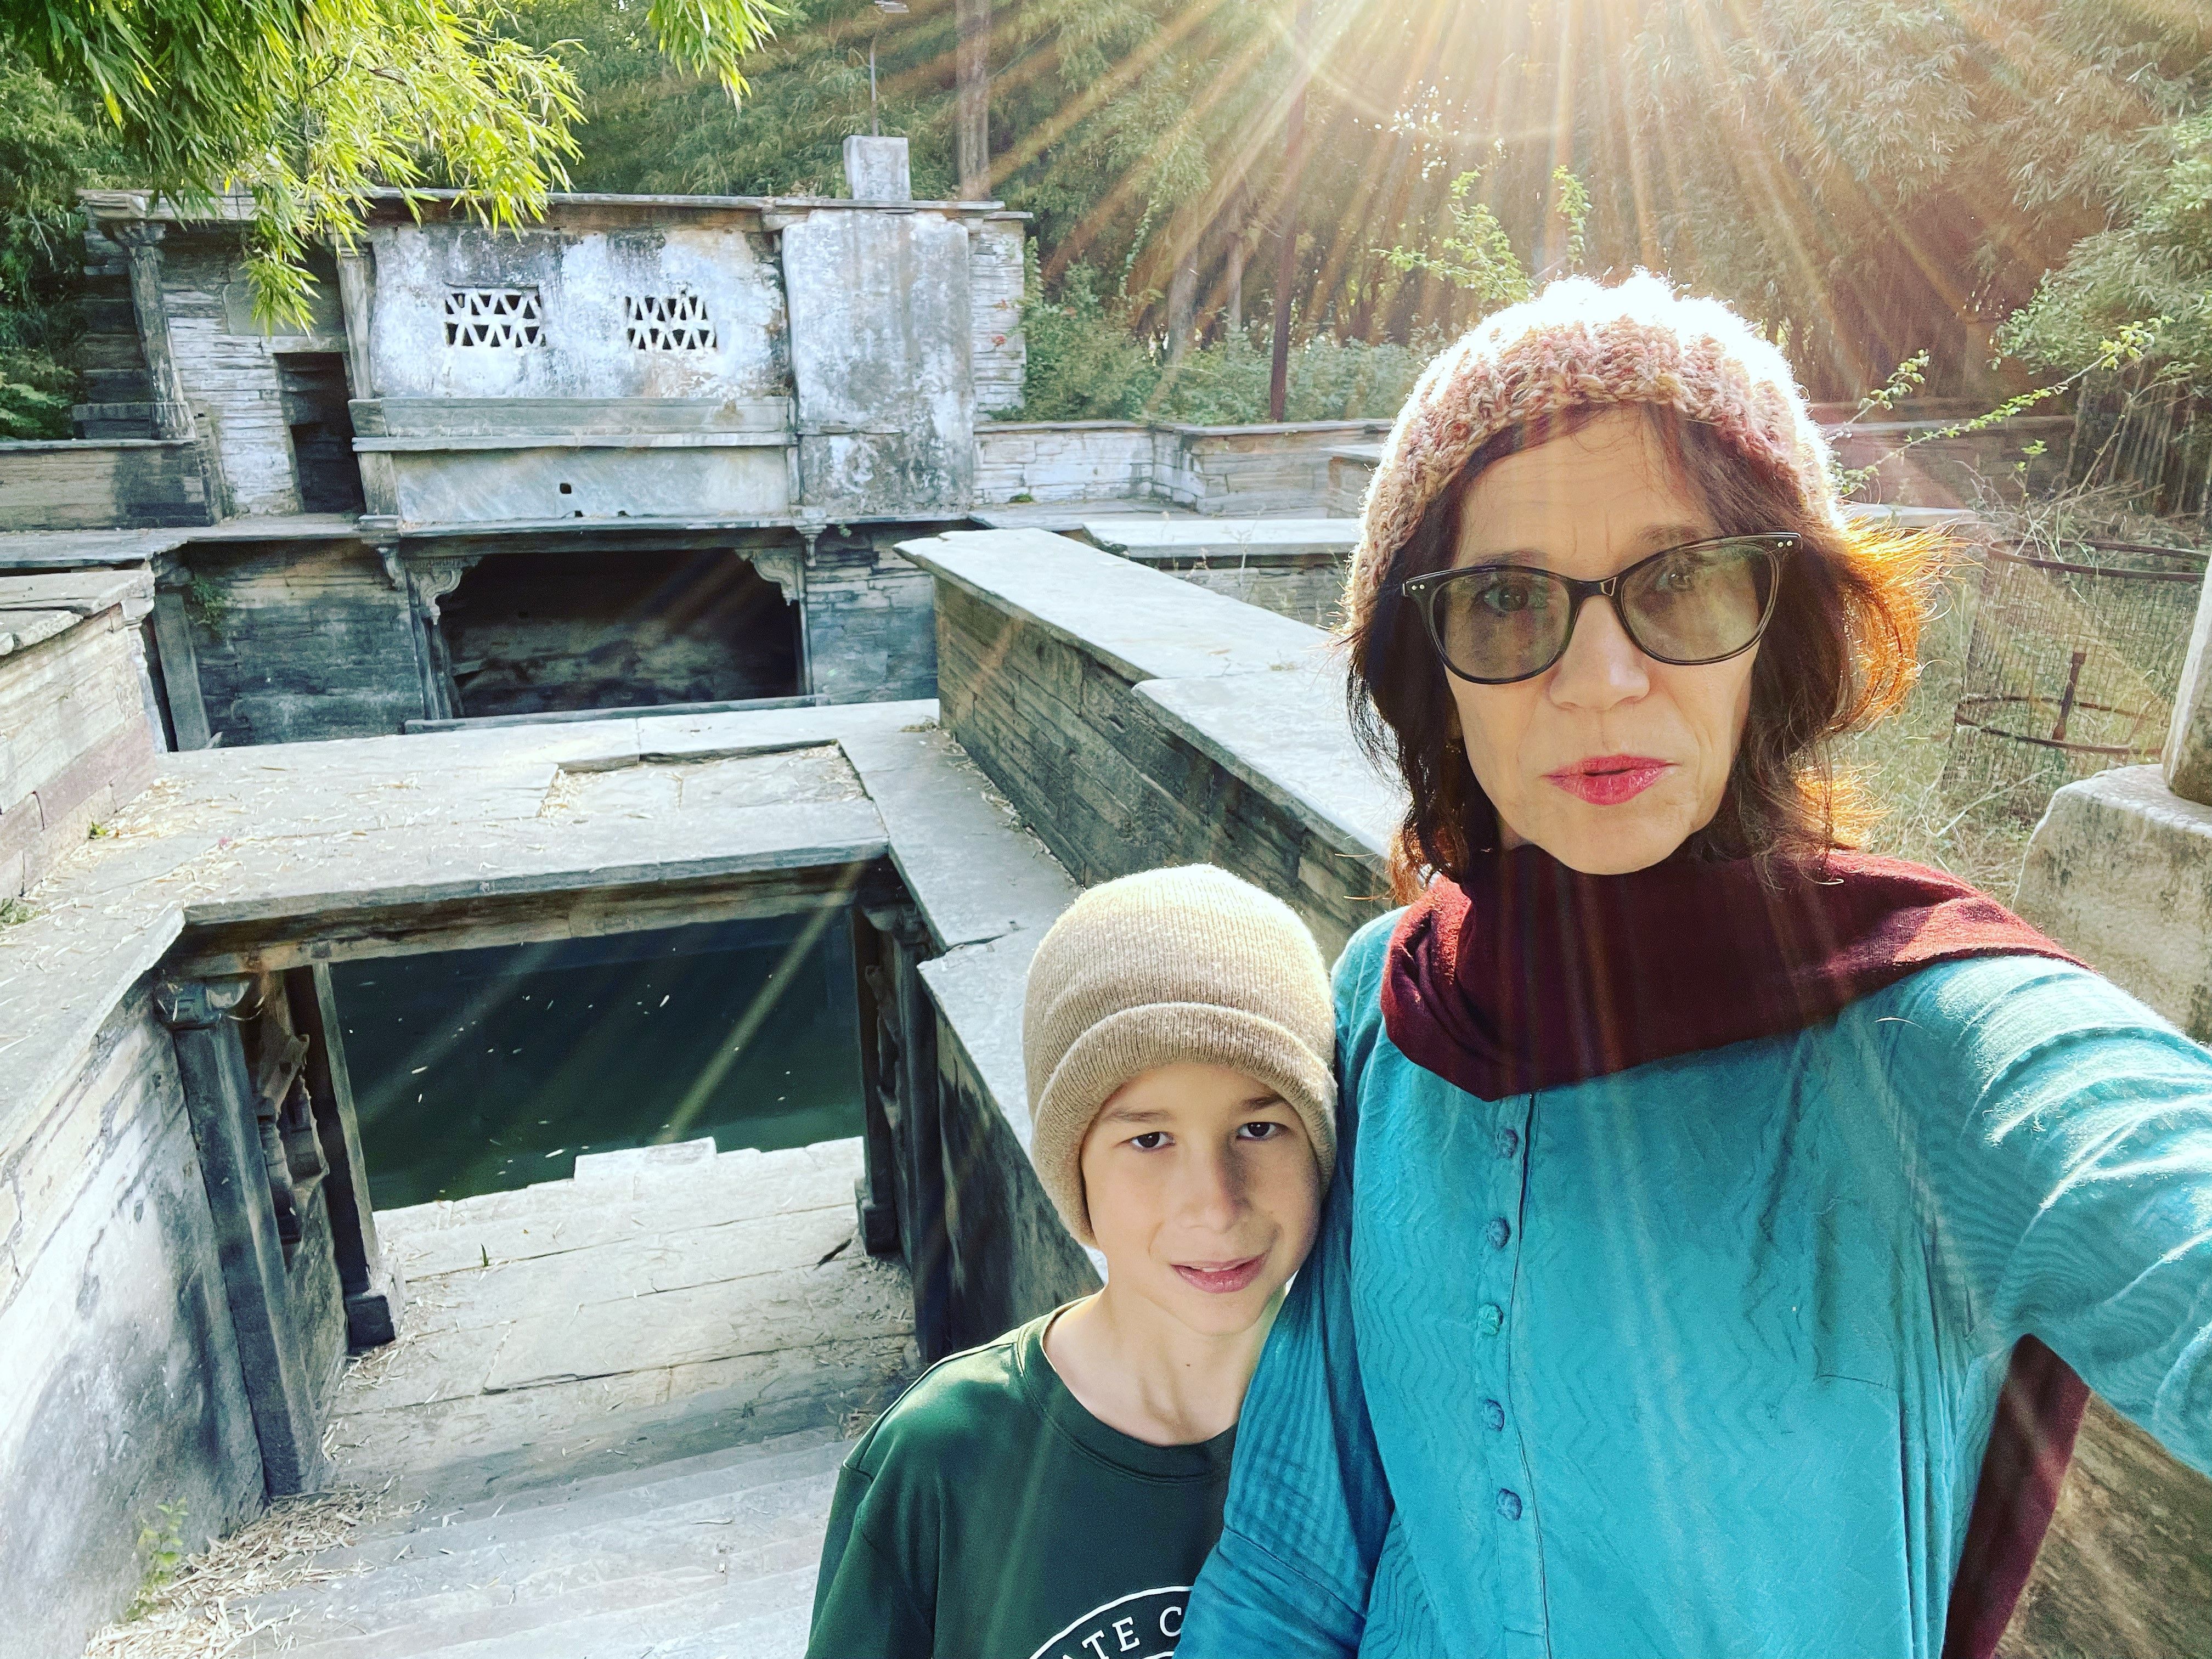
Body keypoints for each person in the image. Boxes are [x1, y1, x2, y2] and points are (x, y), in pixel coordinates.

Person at [1176, 274, 2212, 1659]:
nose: (1600, 677)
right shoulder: (1393, 999)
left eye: (1678, 581)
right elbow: (1294, 1565)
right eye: (1504, 601)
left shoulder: (1931, 1043)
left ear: (1774, 626)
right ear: (1433, 671)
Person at [805, 864, 1336, 1659]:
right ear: (1071, 1167)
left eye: (1259, 1129)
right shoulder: (940, 1459)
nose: (1216, 1205)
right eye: (1149, 1140)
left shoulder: (1369, 1426)